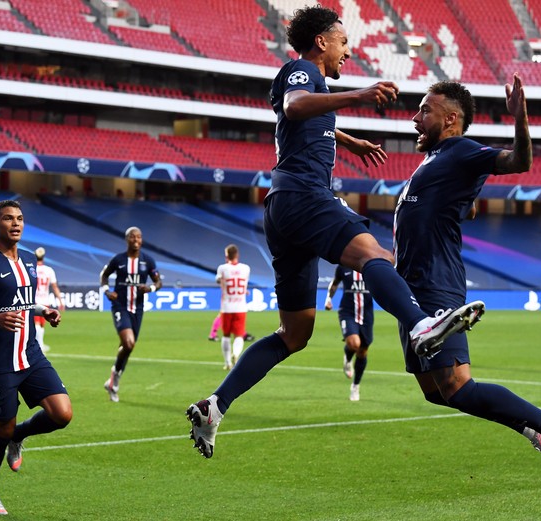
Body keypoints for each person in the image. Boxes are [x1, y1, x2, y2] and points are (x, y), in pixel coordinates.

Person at [186, 5, 484, 459]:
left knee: (294, 333)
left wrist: (348, 141)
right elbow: (295, 106)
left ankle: (216, 405)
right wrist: (361, 95)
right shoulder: (303, 71)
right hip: (305, 195)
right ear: (322, 42)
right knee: (376, 257)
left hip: (283, 209)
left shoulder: (312, 83)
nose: (349, 50)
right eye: (344, 42)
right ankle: (421, 325)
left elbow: (301, 121)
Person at [392, 76, 541, 477]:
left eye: (424, 111)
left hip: (435, 283)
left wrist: (521, 119)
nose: (415, 119)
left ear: (450, 119)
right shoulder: (434, 159)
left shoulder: (461, 149)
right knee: (435, 393)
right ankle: (531, 427)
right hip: (410, 289)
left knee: (458, 385)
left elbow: (519, 161)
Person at [0, 200, 72, 515]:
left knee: (62, 414)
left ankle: (19, 436)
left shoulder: (31, 261)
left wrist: (45, 310)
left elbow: (23, 302)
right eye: (7, 219)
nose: (15, 223)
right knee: (1, 429)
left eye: (19, 218)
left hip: (30, 356)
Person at [99, 226, 162, 402]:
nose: (136, 240)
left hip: (138, 308)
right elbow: (104, 275)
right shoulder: (118, 260)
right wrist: (106, 291)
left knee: (128, 348)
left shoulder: (147, 261)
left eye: (139, 237)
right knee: (128, 343)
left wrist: (149, 288)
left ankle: (112, 382)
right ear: (127, 239)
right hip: (120, 305)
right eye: (133, 237)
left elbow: (158, 282)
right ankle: (115, 380)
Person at [325, 265, 373, 401]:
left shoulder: (372, 266)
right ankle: (347, 358)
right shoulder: (343, 267)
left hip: (367, 315)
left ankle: (355, 386)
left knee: (363, 351)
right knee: (354, 344)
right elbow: (334, 283)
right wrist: (328, 299)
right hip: (347, 312)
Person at [213, 244, 251, 370]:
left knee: (226, 335)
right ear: (237, 255)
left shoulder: (222, 268)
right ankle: (236, 353)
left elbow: (218, 280)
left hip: (227, 307)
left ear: (226, 256)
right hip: (241, 306)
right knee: (239, 335)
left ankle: (228, 362)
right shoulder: (246, 268)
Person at [33, 246, 65, 353]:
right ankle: (40, 345)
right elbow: (54, 286)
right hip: (44, 300)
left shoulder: (31, 269)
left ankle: (39, 344)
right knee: (41, 325)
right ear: (43, 257)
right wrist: (60, 300)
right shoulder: (49, 270)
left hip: (34, 300)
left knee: (37, 325)